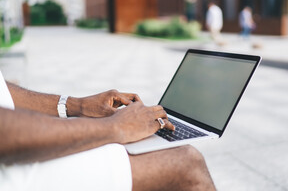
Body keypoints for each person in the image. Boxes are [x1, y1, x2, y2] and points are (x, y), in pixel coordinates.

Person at [0, 70, 216, 191]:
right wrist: (114, 127)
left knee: (141, 146)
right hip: (11, 174)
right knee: (187, 162)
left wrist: (78, 105)